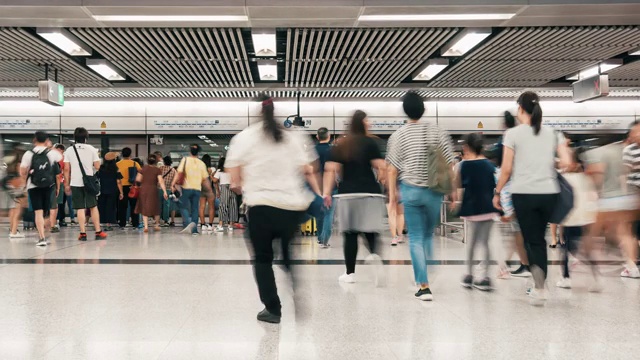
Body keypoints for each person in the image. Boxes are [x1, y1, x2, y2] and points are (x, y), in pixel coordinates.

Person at [226, 94, 320, 324]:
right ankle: (295, 282)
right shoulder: (294, 137)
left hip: (261, 207)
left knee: (263, 259)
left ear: (258, 112)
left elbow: (235, 180)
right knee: (287, 250)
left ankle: (273, 309)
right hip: (291, 207)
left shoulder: (244, 137)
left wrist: (246, 183)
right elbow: (309, 168)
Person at [494, 91, 571, 306]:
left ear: (520, 109)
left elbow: (507, 169)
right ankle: (540, 285)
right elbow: (566, 162)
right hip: (549, 193)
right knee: (540, 239)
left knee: (532, 239)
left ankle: (540, 287)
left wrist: (498, 192)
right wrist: (547, 163)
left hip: (524, 192)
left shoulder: (513, 134)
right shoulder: (554, 133)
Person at [386, 92, 455, 301]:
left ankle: (423, 285)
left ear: (405, 111)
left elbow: (391, 170)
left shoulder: (399, 135)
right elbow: (450, 164)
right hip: (434, 191)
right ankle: (428, 266)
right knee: (427, 235)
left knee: (415, 237)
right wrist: (452, 191)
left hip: (411, 190)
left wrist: (392, 195)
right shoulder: (437, 132)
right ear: (423, 109)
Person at [323, 110, 387, 286]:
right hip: (371, 192)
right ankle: (375, 257)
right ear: (362, 123)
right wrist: (384, 181)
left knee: (350, 233)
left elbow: (330, 169)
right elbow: (382, 166)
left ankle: (350, 273)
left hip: (348, 194)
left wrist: (326, 192)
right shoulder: (371, 142)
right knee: (371, 231)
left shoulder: (342, 144)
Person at [456, 133, 499, 291]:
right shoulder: (490, 165)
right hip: (488, 208)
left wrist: (456, 201)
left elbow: (458, 185)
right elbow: (495, 185)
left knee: (471, 244)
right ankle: (486, 277)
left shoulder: (463, 165)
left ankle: (469, 275)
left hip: (471, 208)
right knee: (485, 243)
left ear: (467, 147)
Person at [556, 148, 597, 289]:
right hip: (586, 219)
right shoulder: (587, 178)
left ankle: (566, 278)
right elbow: (593, 198)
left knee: (565, 249)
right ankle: (596, 279)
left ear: (572, 162)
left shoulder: (565, 178)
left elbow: (560, 201)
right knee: (586, 250)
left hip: (570, 219)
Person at [63, 127, 108, 241]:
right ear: (86, 138)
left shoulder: (69, 150)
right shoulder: (92, 149)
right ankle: (98, 232)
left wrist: (67, 184)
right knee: (93, 206)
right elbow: (97, 166)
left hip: (75, 182)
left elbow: (66, 169)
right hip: (89, 182)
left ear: (75, 138)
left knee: (80, 208)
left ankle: (83, 233)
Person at [19, 132, 63, 246]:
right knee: (47, 212)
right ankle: (46, 233)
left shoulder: (28, 154)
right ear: (47, 140)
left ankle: (42, 238)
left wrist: (24, 184)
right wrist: (50, 146)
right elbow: (60, 157)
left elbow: (23, 171)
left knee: (38, 212)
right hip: (48, 185)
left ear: (34, 139)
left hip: (33, 185)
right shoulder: (51, 153)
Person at [171, 144, 211, 235]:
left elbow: (178, 173)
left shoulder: (185, 160)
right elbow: (205, 179)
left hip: (186, 188)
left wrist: (173, 184)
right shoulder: (202, 163)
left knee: (182, 206)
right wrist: (209, 190)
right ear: (198, 153)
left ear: (190, 151)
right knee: (195, 209)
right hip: (197, 189)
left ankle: (187, 224)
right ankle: (194, 230)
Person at [135, 155, 168, 232]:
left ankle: (146, 226)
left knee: (144, 207)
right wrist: (164, 191)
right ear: (156, 161)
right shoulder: (157, 170)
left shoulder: (143, 169)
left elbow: (138, 179)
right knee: (155, 206)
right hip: (153, 189)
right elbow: (161, 181)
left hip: (143, 189)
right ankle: (156, 225)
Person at [315, 127, 335, 247]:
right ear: (329, 136)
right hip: (331, 185)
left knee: (319, 212)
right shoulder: (333, 151)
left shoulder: (312, 151)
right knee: (329, 213)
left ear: (317, 137)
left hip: (317, 186)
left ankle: (319, 238)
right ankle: (324, 240)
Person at [3, 144, 26, 239]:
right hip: (16, 185)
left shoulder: (10, 160)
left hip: (9, 184)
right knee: (18, 209)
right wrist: (24, 185)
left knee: (13, 208)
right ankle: (14, 231)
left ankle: (12, 229)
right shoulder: (19, 162)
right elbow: (21, 175)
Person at [97, 152, 123, 231]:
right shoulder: (116, 168)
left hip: (102, 190)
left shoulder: (101, 168)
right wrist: (121, 192)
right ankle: (109, 223)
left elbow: (97, 178)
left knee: (102, 206)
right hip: (112, 190)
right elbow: (118, 181)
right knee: (111, 207)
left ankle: (101, 222)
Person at [116, 147, 141, 229]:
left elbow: (116, 178)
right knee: (134, 205)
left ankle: (122, 223)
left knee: (122, 206)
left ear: (122, 154)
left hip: (121, 188)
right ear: (130, 154)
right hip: (132, 187)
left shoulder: (117, 164)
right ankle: (135, 223)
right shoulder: (135, 163)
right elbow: (141, 174)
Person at [214, 157, 239, 232]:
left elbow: (215, 180)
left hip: (224, 188)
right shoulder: (231, 169)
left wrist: (211, 175)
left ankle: (220, 225)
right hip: (232, 188)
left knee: (223, 206)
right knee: (233, 207)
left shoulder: (220, 171)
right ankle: (230, 226)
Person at [199, 154, 216, 232]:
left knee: (202, 207)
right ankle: (210, 225)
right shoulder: (212, 169)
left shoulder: (200, 170)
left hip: (202, 189)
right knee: (211, 207)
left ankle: (202, 225)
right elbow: (214, 181)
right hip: (210, 190)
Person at [159, 155, 177, 227]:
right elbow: (175, 180)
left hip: (159, 188)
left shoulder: (160, 168)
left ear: (164, 161)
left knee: (159, 204)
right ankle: (166, 220)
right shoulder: (173, 170)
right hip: (168, 189)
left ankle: (159, 219)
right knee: (166, 204)